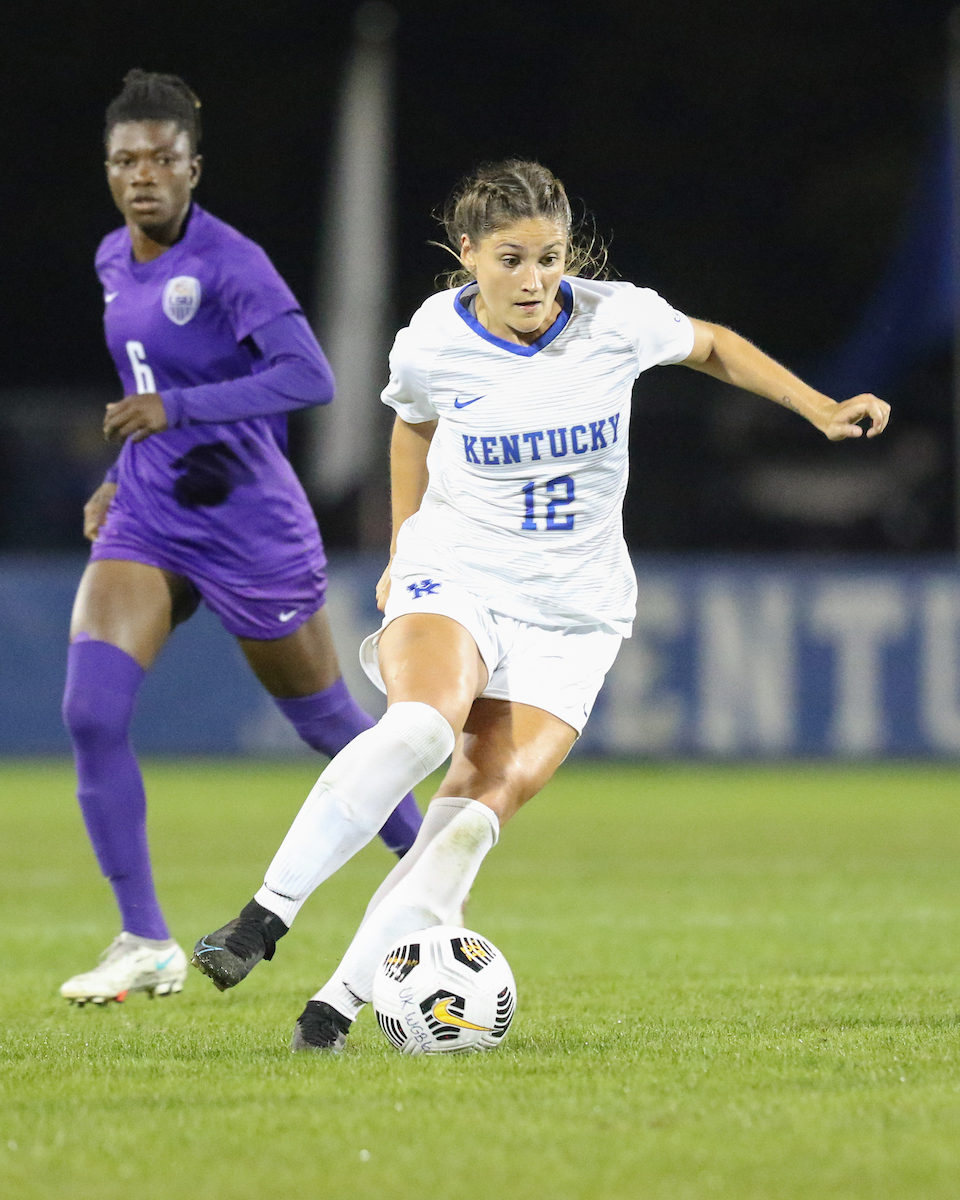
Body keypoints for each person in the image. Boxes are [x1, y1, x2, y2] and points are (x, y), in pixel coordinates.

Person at [193, 159, 890, 1049]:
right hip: (461, 570)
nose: (534, 280)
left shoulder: (616, 320)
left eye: (551, 258)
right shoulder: (431, 341)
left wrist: (820, 408)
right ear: (469, 253)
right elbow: (413, 422)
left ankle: (332, 1012)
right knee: (420, 727)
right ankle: (264, 916)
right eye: (512, 259)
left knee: (466, 827)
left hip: (575, 611)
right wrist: (406, 537)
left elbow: (710, 343)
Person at [58, 70, 422, 1007]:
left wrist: (174, 407)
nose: (144, 175)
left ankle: (432, 880)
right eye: (126, 160)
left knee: (332, 727)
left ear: (193, 168)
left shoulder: (231, 264)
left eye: (162, 159)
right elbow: (146, 385)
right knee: (91, 713)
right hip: (148, 512)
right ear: (108, 170)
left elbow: (309, 375)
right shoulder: (112, 261)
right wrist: (117, 475)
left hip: (249, 525)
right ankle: (144, 941)